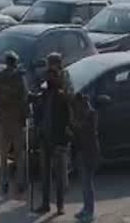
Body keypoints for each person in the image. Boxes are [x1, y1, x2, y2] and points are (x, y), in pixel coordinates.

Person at [35, 53, 72, 215]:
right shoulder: (46, 91)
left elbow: (70, 105)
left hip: (59, 138)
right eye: (48, 68)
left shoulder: (64, 89)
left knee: (60, 175)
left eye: (53, 67)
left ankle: (60, 205)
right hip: (45, 137)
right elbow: (39, 111)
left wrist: (59, 85)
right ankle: (45, 203)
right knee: (45, 174)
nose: (50, 71)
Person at [0, 51, 28, 195]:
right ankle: (20, 182)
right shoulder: (19, 78)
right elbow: (25, 98)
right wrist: (24, 116)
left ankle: (4, 181)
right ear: (16, 62)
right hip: (16, 120)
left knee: (4, 153)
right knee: (19, 153)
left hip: (3, 120)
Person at [72, 93, 99, 223]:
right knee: (84, 183)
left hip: (89, 153)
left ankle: (90, 211)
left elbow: (85, 129)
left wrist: (76, 125)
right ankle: (86, 208)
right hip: (81, 152)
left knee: (88, 183)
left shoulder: (91, 114)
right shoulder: (82, 115)